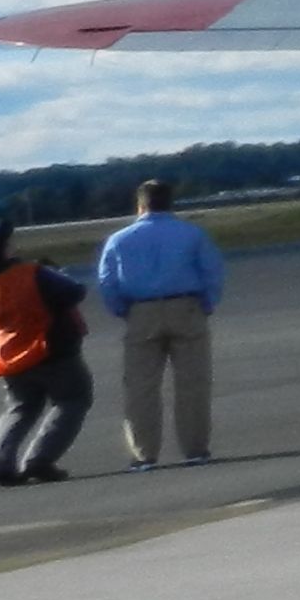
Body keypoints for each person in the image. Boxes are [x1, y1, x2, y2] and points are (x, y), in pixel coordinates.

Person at [96, 177, 225, 471]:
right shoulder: (192, 234)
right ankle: (195, 449)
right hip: (186, 306)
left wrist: (122, 310)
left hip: (141, 311)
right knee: (193, 383)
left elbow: (107, 282)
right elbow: (212, 271)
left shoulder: (119, 239)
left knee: (141, 387)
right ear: (170, 203)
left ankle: (144, 454)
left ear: (140, 204)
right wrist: (206, 304)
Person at [0, 223, 92, 489]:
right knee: (72, 400)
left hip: (6, 355)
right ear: (5, 251)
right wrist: (53, 273)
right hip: (50, 350)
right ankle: (40, 458)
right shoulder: (33, 273)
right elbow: (74, 292)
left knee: (21, 406)